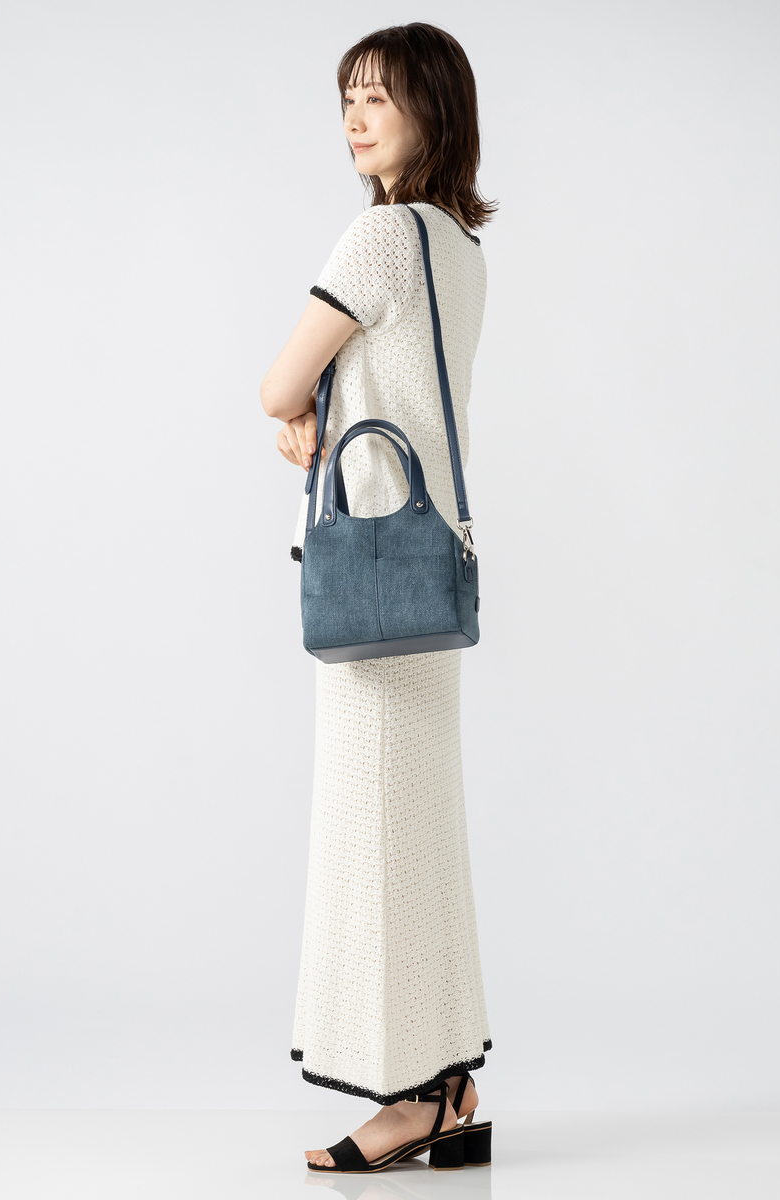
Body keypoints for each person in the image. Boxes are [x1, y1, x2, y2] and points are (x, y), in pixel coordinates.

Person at [259, 23, 496, 1175]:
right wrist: (316, 404)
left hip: (373, 588)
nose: (354, 119)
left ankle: (406, 1101)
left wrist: (296, 409)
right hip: (430, 572)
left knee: (375, 839)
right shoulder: (459, 246)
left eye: (379, 99)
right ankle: (450, 1089)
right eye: (346, 98)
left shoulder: (382, 236)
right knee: (422, 833)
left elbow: (275, 381)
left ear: (430, 111)